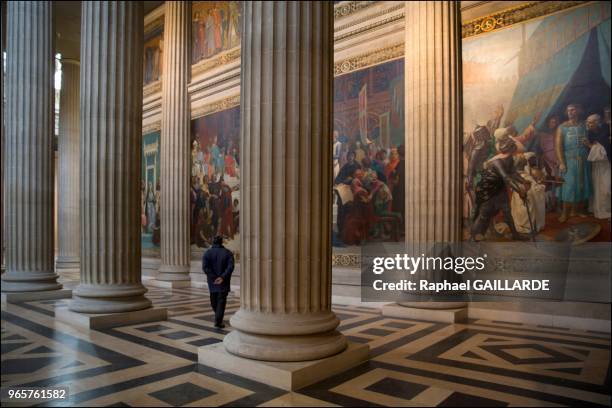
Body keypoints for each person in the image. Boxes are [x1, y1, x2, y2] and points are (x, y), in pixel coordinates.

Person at [470, 136, 530, 241]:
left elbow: (513, 173)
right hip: (488, 189)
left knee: (507, 211)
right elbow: (507, 178)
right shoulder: (497, 161)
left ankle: (515, 235)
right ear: (511, 149)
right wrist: (519, 190)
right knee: (484, 215)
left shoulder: (510, 159)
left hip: (499, 187)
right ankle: (473, 238)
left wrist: (523, 181)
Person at [555, 104, 592, 222]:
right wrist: (561, 162)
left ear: (578, 110)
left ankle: (577, 210)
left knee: (582, 185)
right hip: (569, 161)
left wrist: (588, 144)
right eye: (568, 110)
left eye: (573, 110)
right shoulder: (562, 127)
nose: (570, 112)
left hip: (583, 159)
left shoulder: (584, 125)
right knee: (569, 186)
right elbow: (558, 146)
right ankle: (565, 213)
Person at [202, 236, 234, 329]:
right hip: (224, 281)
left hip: (212, 282)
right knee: (221, 301)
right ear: (221, 242)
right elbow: (230, 267)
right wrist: (222, 277)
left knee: (214, 300)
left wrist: (213, 277)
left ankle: (218, 319)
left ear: (213, 242)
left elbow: (205, 268)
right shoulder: (228, 253)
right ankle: (218, 319)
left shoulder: (207, 253)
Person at [585, 114, 611, 219]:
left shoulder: (605, 132)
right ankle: (600, 210)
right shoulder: (590, 134)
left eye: (591, 122)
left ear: (597, 122)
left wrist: (589, 145)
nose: (589, 124)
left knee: (606, 188)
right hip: (596, 166)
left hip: (606, 165)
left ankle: (608, 210)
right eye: (588, 122)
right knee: (597, 188)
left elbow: (604, 151)